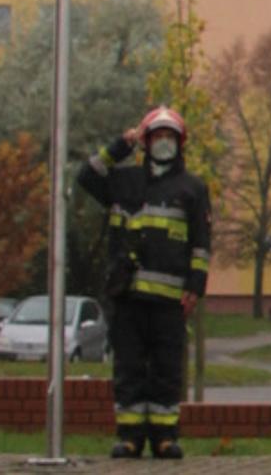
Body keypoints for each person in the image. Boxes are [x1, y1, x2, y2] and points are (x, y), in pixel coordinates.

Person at [77, 106, 212, 460]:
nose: (163, 143)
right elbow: (87, 176)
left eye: (170, 137)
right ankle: (131, 437)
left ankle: (165, 437)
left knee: (167, 369)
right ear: (146, 142)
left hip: (170, 301)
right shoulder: (124, 182)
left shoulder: (193, 189)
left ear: (179, 144)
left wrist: (195, 287)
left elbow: (201, 243)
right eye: (157, 137)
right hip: (129, 297)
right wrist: (120, 146)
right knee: (129, 368)